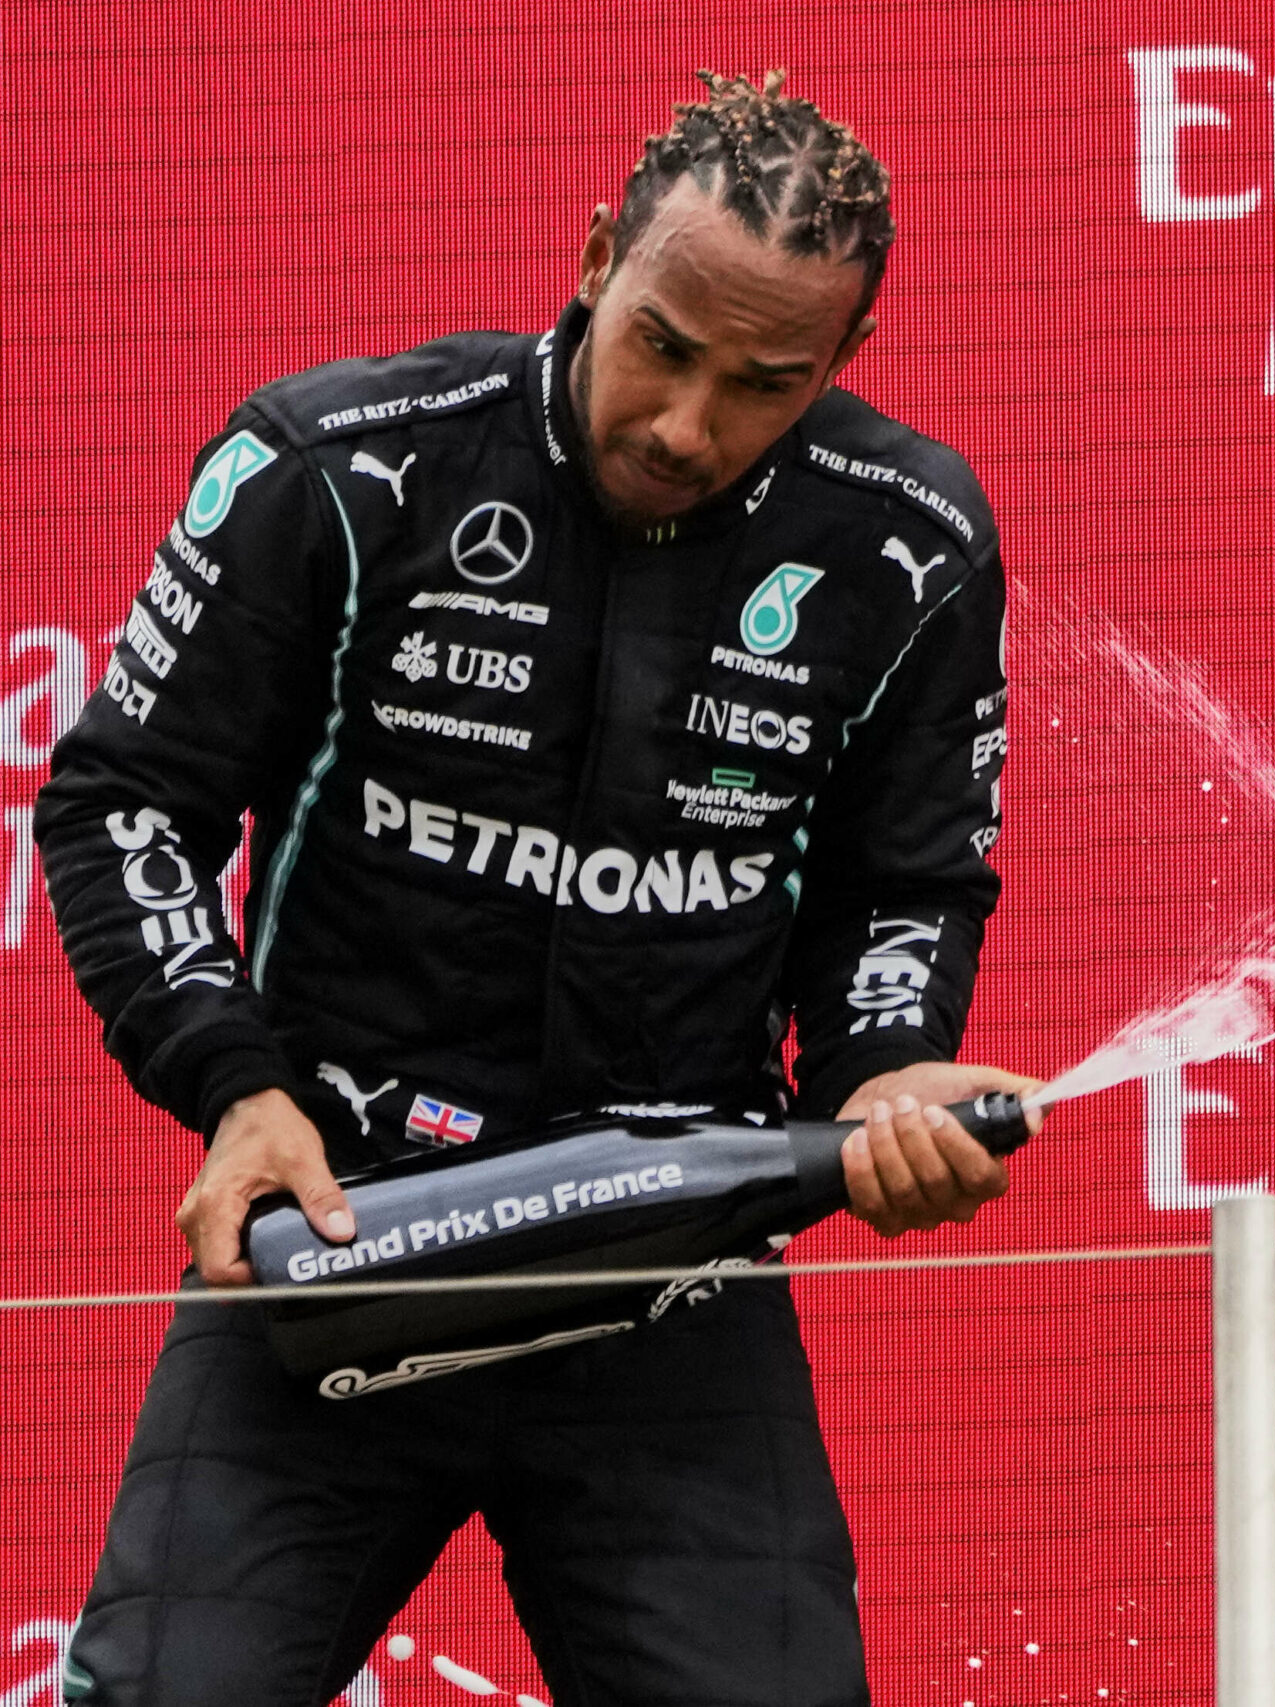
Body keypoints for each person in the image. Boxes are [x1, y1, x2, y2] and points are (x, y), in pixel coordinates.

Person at [36, 69, 1035, 1705]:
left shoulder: (908, 541)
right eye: (662, 343)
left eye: (764, 383)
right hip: (339, 1233)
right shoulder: (343, 464)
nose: (687, 424)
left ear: (845, 360)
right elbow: (122, 798)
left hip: (673, 1275)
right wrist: (236, 1087)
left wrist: (885, 1070)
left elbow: (906, 883)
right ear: (594, 258)